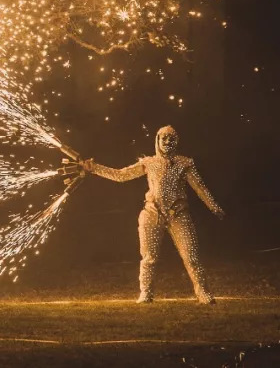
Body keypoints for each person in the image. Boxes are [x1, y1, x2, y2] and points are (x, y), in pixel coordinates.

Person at [76, 125, 224, 304]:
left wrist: (213, 206)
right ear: (157, 140)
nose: (168, 141)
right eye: (164, 138)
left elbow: (199, 186)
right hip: (151, 213)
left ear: (177, 141)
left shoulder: (185, 163)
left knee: (191, 256)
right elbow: (121, 175)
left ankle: (203, 293)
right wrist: (95, 168)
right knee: (149, 258)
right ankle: (146, 293)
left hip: (178, 214)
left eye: (172, 138)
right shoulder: (149, 162)